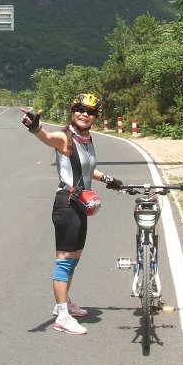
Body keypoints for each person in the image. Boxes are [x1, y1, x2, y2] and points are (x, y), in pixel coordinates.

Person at [21, 93, 122, 335]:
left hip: (81, 204)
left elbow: (87, 168)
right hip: (67, 203)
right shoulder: (65, 138)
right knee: (65, 259)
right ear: (72, 112)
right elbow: (47, 138)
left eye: (90, 111)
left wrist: (107, 179)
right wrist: (35, 128)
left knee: (75, 257)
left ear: (95, 117)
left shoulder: (86, 140)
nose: (85, 114)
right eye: (80, 109)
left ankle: (64, 303)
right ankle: (62, 316)